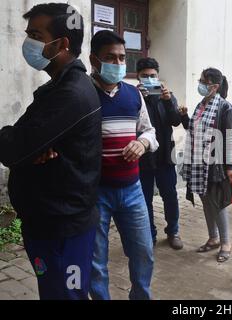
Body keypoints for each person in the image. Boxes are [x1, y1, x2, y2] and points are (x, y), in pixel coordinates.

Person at [0, 3, 102, 300]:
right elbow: (23, 143)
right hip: (49, 221)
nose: (28, 42)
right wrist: (30, 149)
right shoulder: (59, 87)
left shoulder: (70, 94)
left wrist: (24, 148)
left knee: (66, 295)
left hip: (63, 228)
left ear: (62, 43)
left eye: (36, 34)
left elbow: (13, 148)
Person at [88, 31, 159, 300]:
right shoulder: (82, 95)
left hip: (132, 190)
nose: (118, 64)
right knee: (96, 260)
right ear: (94, 59)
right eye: (110, 58)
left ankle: (141, 295)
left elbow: (150, 131)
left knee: (143, 251)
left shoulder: (133, 95)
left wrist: (142, 143)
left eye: (121, 58)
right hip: (96, 193)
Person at [181, 68, 232, 264]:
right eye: (200, 80)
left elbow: (229, 139)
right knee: (205, 201)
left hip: (216, 164)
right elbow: (193, 129)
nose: (201, 84)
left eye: (204, 81)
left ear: (214, 86)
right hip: (198, 163)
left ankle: (226, 243)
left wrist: (230, 166)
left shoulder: (224, 108)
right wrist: (183, 118)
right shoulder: (201, 105)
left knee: (218, 203)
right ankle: (213, 238)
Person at [135, 58, 184, 250]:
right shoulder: (133, 96)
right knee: (145, 198)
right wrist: (139, 97)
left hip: (165, 156)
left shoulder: (167, 97)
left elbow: (175, 121)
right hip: (144, 156)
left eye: (152, 76)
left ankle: (173, 231)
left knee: (170, 195)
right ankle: (150, 234)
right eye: (145, 76)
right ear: (138, 77)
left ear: (158, 76)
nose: (149, 79)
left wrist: (168, 101)